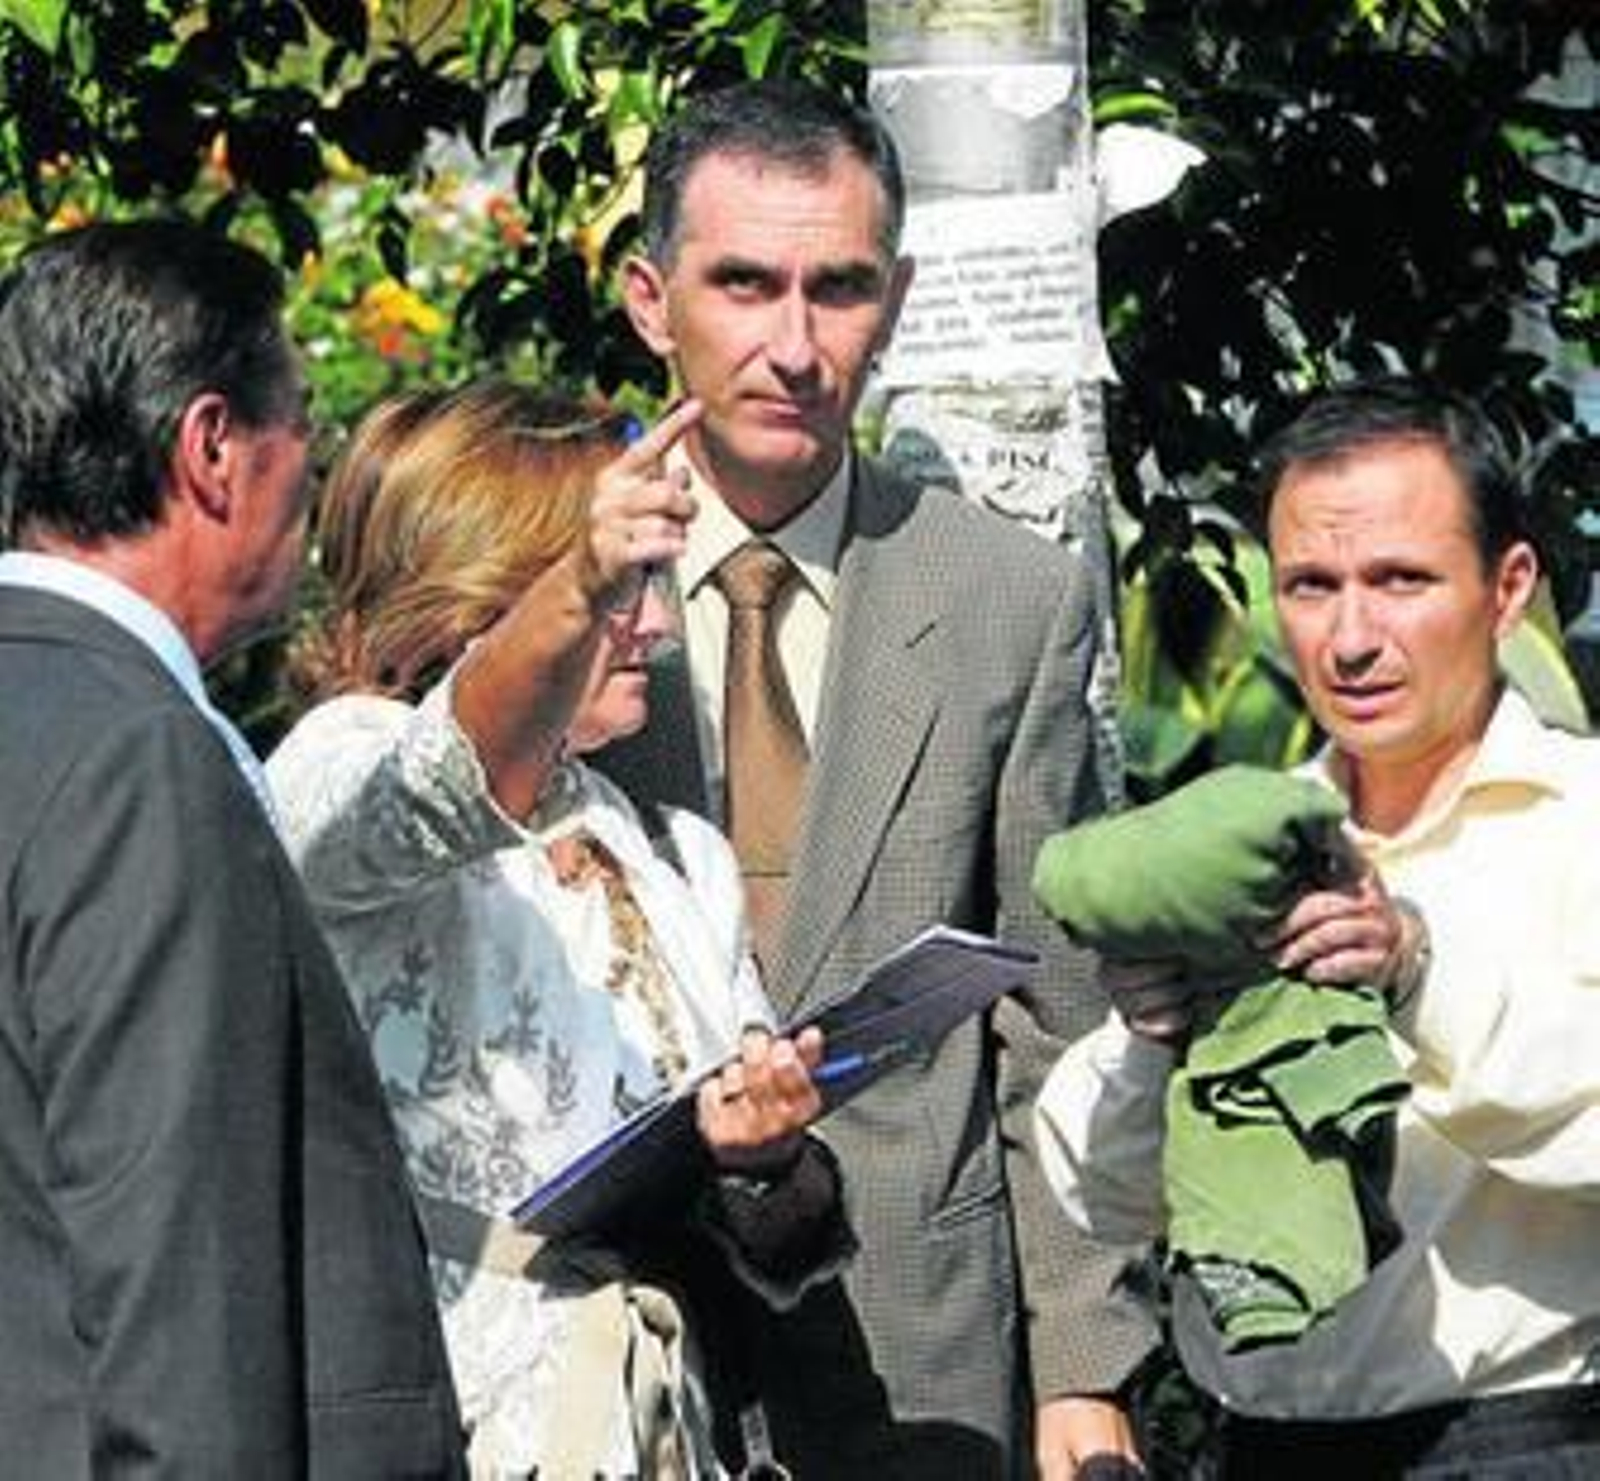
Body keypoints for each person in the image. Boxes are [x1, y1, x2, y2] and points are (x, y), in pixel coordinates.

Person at [602, 78, 1154, 1478]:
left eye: (838, 289)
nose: (794, 344)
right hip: (613, 1354)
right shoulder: (556, 578)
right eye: (745, 285)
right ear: (652, 300)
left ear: (895, 301)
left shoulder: (1001, 602)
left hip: (920, 1359)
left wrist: (1084, 1375)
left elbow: (1060, 1029)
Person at [267, 379, 854, 1478]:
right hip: (441, 1427)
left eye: (647, 585)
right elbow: (444, 780)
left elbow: (778, 1240)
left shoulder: (676, 848)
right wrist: (579, 579)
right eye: (622, 587)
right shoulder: (337, 767)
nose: (661, 624)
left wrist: (765, 1155)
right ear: (488, 589)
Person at [1036, 379, 1600, 1476]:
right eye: (1310, 584)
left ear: (1507, 586)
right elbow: (1106, 1198)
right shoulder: (1238, 845)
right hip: (1258, 1446)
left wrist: (1416, 971)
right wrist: (1152, 1041)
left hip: (1524, 1442)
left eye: (1399, 580)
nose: (1349, 637)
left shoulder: (1581, 822)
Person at [0, 221, 464, 1476]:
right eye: (300, 423)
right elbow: (176, 1274)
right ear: (213, 448)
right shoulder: (136, 759)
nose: (310, 469)